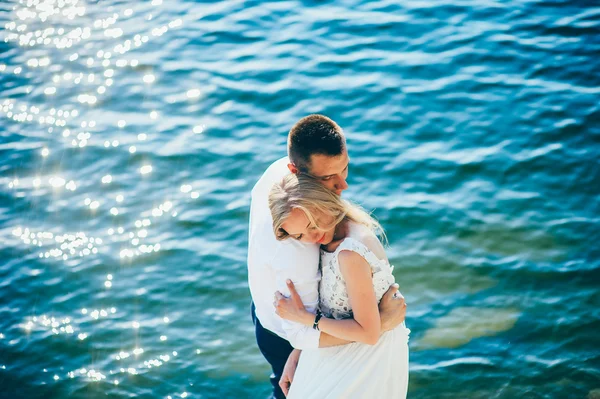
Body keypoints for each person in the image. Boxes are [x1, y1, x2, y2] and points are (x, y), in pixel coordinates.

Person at [247, 115, 407, 399]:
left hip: (321, 331)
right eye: (328, 179)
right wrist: (382, 322)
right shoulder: (298, 236)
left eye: (344, 169)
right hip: (285, 330)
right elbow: (301, 329)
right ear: (296, 171)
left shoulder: (293, 191)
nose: (342, 185)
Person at [269, 174, 410, 398]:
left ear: (323, 202)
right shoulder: (331, 236)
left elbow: (369, 333)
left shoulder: (349, 253)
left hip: (366, 360)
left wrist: (305, 318)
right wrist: (299, 351)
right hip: (341, 348)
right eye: (300, 235)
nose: (312, 236)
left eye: (312, 224)